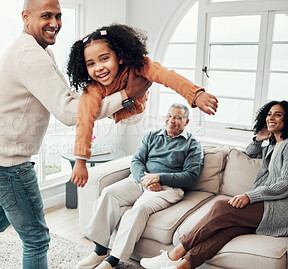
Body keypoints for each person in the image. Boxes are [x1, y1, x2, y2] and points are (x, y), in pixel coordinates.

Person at [0, 1, 152, 268]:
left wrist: (112, 98)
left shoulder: (35, 50)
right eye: (46, 16)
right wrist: (125, 96)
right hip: (9, 165)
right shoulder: (32, 57)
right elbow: (68, 113)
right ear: (25, 17)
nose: (54, 23)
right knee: (36, 239)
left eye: (58, 16)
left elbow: (68, 99)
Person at [140, 100, 288, 269]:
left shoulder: (287, 146)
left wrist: (249, 196)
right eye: (269, 114)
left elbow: (285, 184)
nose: (271, 117)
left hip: (279, 210)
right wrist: (257, 139)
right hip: (265, 205)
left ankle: (174, 254)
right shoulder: (272, 145)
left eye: (278, 114)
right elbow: (250, 153)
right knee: (226, 232)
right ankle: (181, 267)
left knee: (221, 206)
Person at [67, 24, 218, 188]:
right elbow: (84, 121)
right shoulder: (93, 88)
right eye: (91, 64)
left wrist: (196, 95)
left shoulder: (138, 65)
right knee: (85, 106)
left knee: (155, 70)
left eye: (104, 58)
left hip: (137, 111)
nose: (99, 68)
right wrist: (80, 161)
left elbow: (167, 77)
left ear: (119, 56)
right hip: (116, 115)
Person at [76, 103, 205, 269]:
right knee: (109, 193)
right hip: (140, 180)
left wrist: (159, 177)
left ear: (186, 122)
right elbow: (136, 161)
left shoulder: (193, 144)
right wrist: (144, 179)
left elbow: (190, 176)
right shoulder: (151, 136)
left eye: (178, 118)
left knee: (140, 208)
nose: (172, 120)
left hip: (167, 188)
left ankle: (113, 260)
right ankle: (100, 250)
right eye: (169, 115)